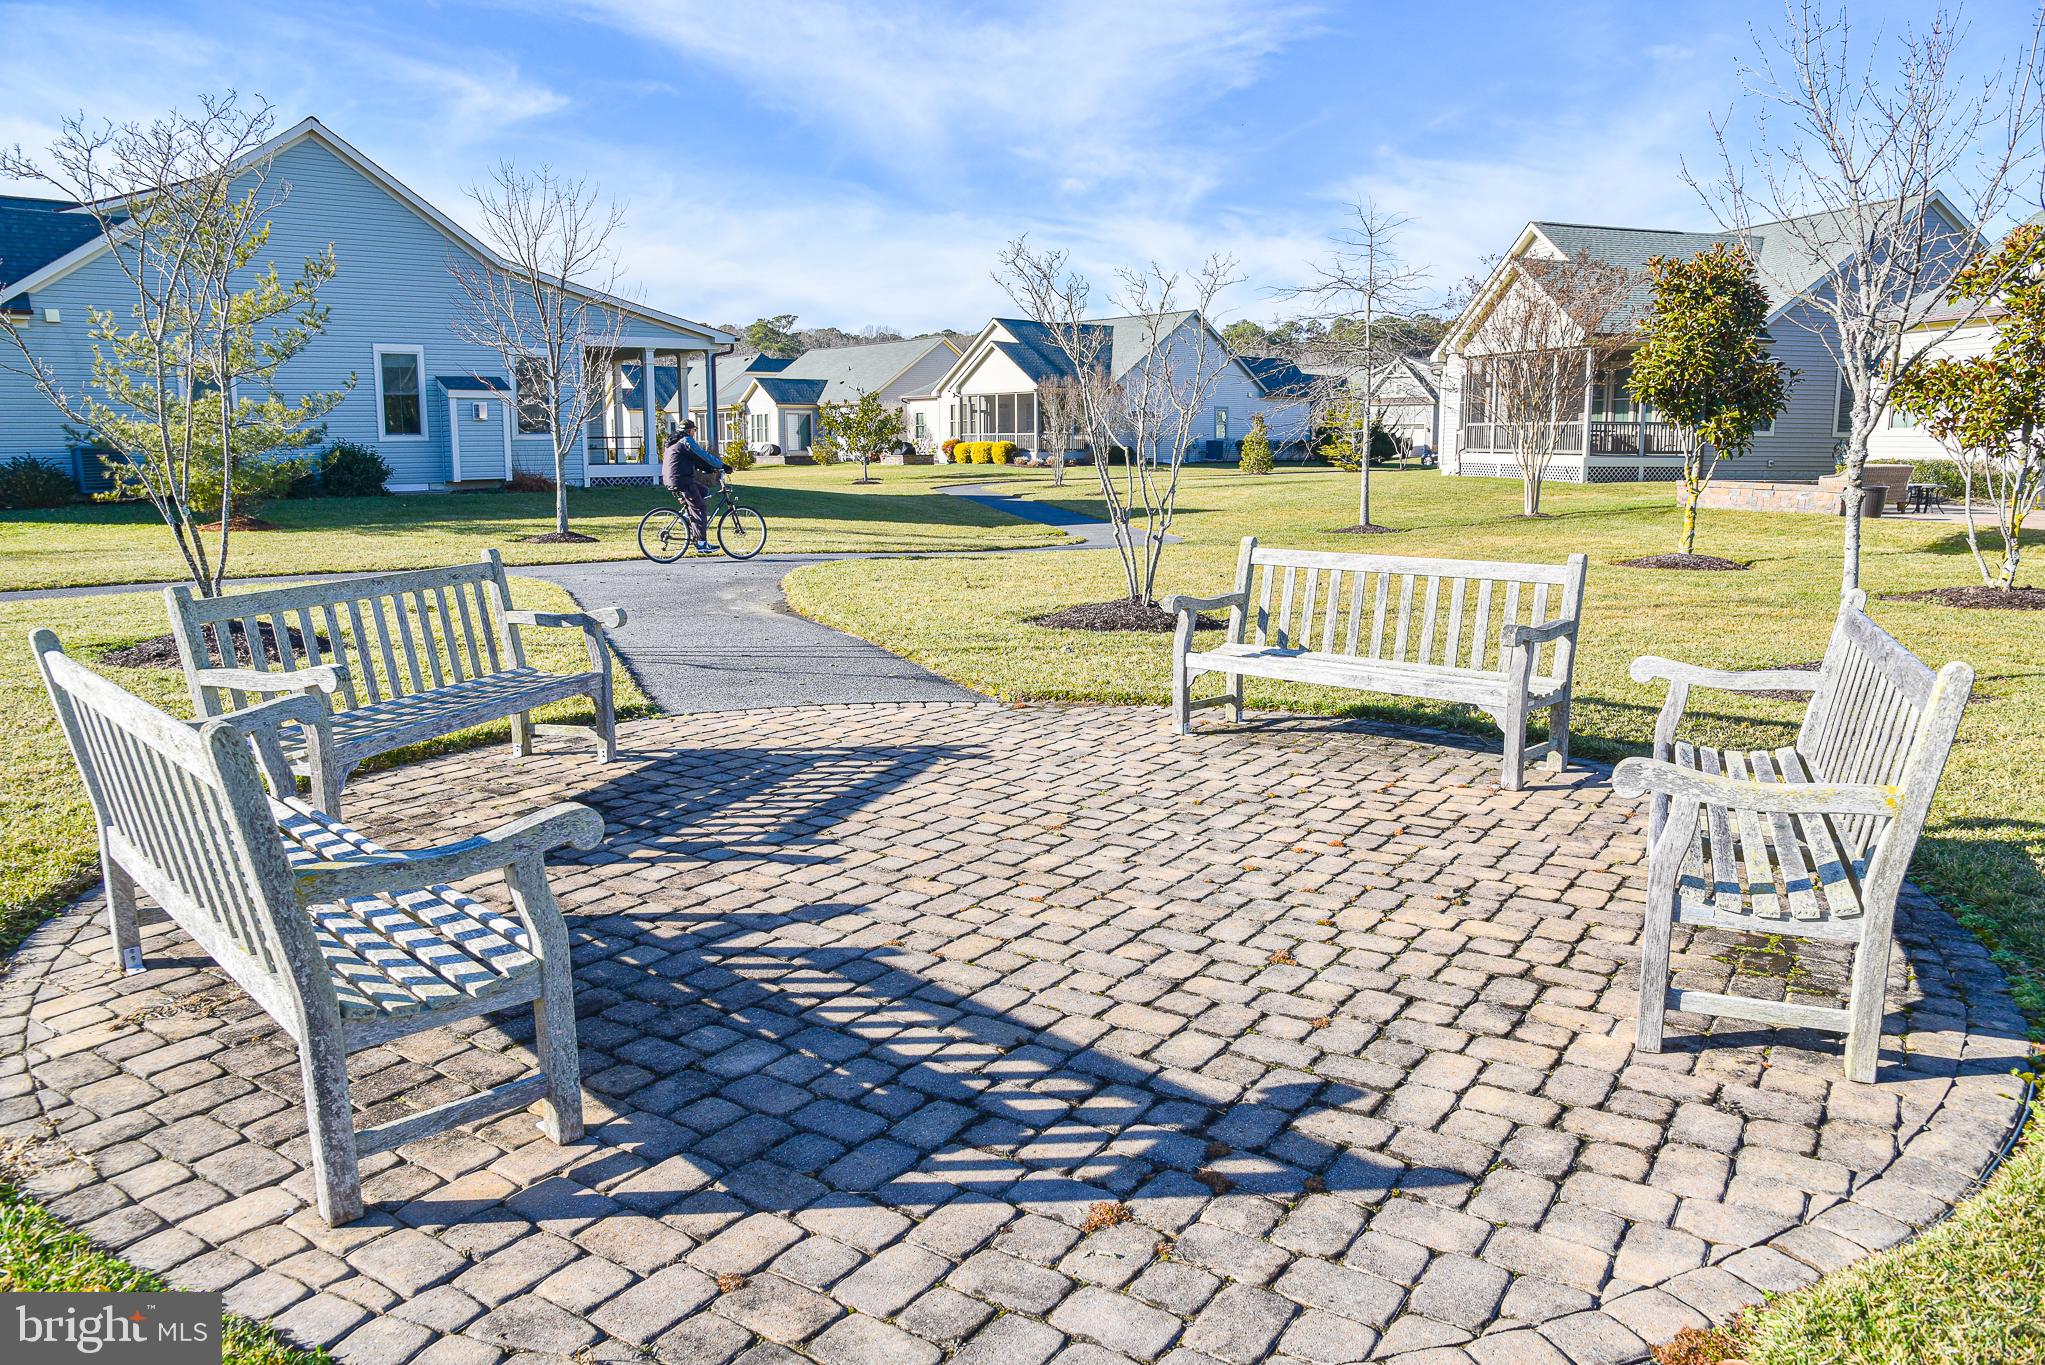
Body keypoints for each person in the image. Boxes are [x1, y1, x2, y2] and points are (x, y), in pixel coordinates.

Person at [660, 419, 725, 553]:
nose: (694, 433)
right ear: (689, 430)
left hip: (671, 479)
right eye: (694, 430)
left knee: (704, 491)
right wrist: (722, 465)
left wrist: (709, 469)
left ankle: (685, 516)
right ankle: (701, 543)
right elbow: (703, 455)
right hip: (682, 480)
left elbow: (695, 460)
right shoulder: (686, 440)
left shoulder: (674, 441)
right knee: (700, 508)